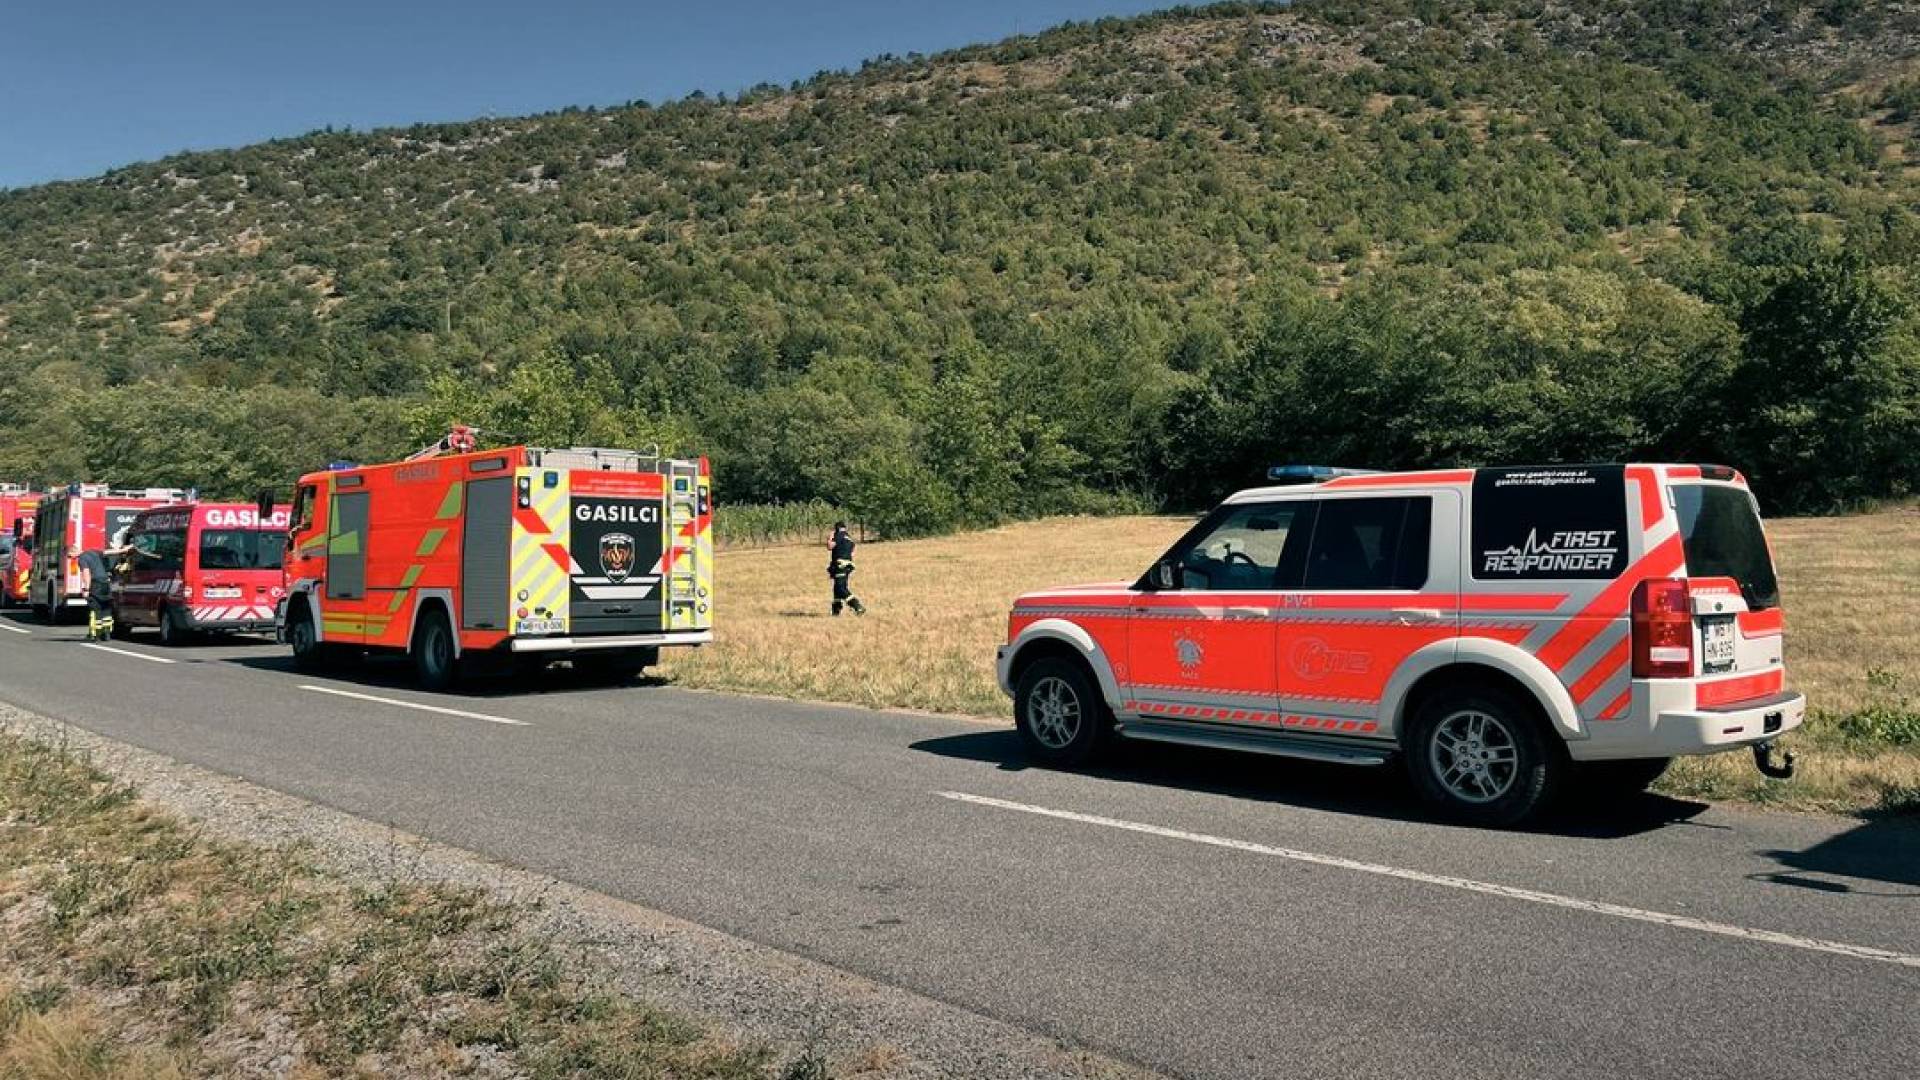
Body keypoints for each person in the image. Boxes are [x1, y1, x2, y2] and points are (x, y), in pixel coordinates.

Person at [827, 521, 866, 617]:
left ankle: (857, 606)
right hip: (848, 564)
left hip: (840, 564)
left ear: (837, 528)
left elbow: (830, 546)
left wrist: (830, 538)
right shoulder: (849, 538)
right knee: (837, 587)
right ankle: (836, 610)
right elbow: (852, 552)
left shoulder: (838, 535)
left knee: (840, 588)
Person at [77, 547, 116, 641]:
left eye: (70, 556)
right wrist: (125, 549)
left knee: (95, 609)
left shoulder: (82, 558)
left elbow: (86, 574)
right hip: (105, 583)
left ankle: (95, 634)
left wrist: (86, 589)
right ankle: (106, 633)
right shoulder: (94, 552)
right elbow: (109, 552)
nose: (71, 558)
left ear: (73, 551)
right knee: (106, 608)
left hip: (96, 584)